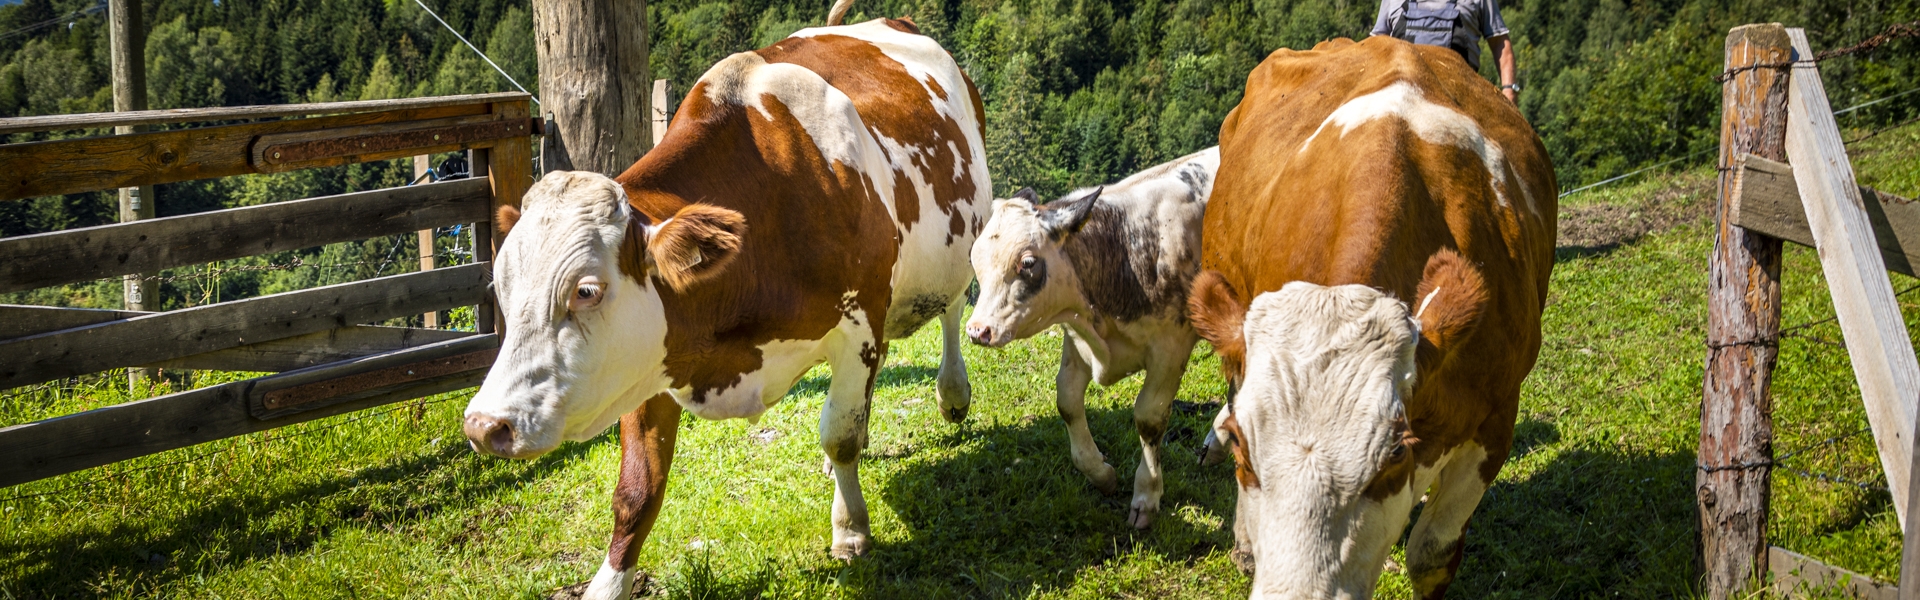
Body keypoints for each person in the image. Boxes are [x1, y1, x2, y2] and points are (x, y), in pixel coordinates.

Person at [1370, 0, 1519, 103]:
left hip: (1462, 100)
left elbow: (1500, 43)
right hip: (1398, 98)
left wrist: (1509, 91)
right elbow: (1375, 45)